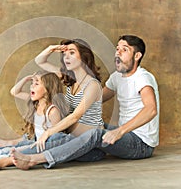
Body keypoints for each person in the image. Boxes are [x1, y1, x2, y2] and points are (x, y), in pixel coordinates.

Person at [11, 35, 160, 170]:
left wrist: (119, 131)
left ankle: (35, 159)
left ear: (137, 56)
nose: (118, 53)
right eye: (117, 49)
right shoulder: (116, 77)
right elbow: (97, 99)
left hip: (140, 144)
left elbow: (151, 109)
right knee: (89, 129)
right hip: (124, 135)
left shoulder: (142, 78)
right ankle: (17, 148)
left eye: (124, 50)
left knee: (94, 133)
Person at [0, 38, 106, 173]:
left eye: (72, 53)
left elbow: (75, 116)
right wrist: (52, 48)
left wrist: (48, 132)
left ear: (84, 57)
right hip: (68, 138)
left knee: (48, 140)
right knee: (37, 140)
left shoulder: (92, 85)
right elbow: (39, 61)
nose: (66, 57)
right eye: (64, 54)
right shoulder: (69, 78)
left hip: (89, 145)